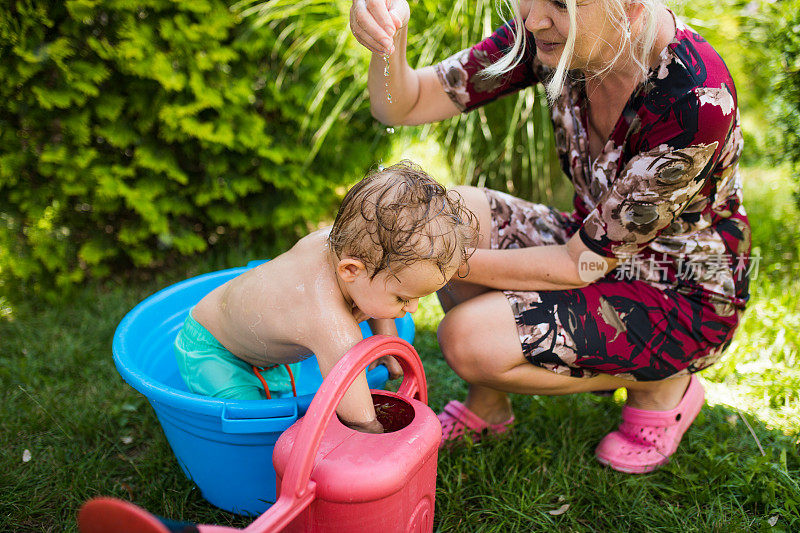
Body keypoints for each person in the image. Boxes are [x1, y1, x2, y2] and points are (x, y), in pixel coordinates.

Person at [350, 0, 749, 471]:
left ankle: (663, 381)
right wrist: (386, 37)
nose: (533, 19)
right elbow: (404, 103)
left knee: (466, 338)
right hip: (591, 243)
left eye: (560, 3)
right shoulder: (551, 36)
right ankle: (489, 408)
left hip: (680, 290)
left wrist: (434, 259)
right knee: (447, 216)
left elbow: (580, 264)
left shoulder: (694, 98)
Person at [174, 161, 478, 433]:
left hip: (257, 341)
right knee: (254, 421)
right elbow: (358, 417)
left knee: (285, 399)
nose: (412, 309)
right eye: (402, 299)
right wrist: (379, 433)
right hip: (214, 350)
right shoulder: (330, 324)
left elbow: (374, 287)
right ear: (350, 270)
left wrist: (384, 342)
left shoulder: (339, 245)